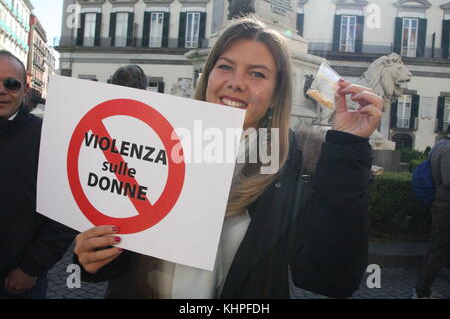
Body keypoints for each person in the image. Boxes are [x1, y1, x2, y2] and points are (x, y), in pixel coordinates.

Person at [73, 18, 383, 299]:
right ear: (208, 76)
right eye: (225, 67)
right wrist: (92, 256)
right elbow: (117, 242)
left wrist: (347, 147)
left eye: (257, 74)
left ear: (277, 94)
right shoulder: (152, 144)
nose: (236, 82)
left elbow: (331, 280)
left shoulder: (292, 166)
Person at [0, 50, 77, 299]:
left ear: (25, 89)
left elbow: (65, 211)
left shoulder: (48, 137)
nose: (2, 90)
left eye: (11, 84)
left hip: (17, 282)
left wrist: (31, 267)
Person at [414, 124, 450, 298]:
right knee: (440, 248)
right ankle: (421, 290)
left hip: (439, 203)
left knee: (437, 244)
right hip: (446, 205)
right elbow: (448, 180)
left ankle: (421, 286)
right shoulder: (448, 149)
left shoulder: (439, 144)